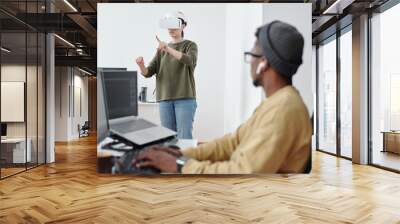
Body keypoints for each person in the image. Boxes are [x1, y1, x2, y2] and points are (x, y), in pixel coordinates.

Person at [133, 20, 312, 174]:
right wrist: (182, 154)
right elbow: (231, 143)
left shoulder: (283, 110)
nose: (250, 62)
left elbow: (243, 172)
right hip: (165, 98)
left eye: (251, 55)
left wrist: (180, 165)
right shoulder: (276, 103)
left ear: (263, 63)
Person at [136, 11, 198, 139]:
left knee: (184, 137)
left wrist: (168, 48)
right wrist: (141, 64)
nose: (171, 28)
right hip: (164, 99)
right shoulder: (161, 49)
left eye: (175, 24)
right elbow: (148, 72)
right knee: (168, 138)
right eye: (169, 25)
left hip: (185, 98)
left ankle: (184, 159)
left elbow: (190, 61)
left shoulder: (190, 45)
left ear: (183, 26)